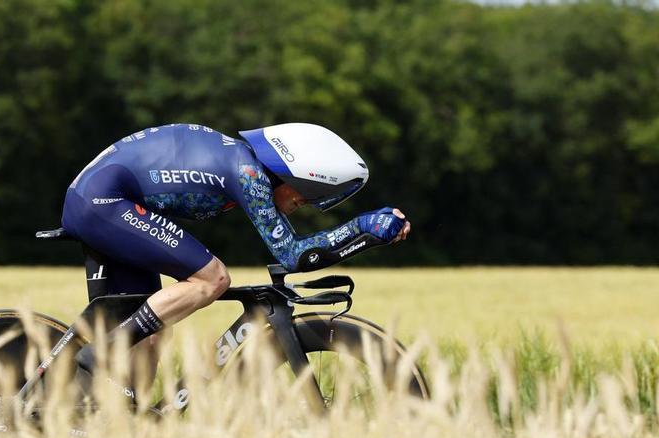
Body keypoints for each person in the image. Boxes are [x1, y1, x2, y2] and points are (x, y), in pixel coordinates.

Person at [62, 123, 411, 383]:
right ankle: (102, 351)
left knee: (152, 335)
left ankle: (110, 419)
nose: (296, 207)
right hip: (102, 202)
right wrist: (363, 229)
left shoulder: (243, 162)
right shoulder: (248, 174)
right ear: (293, 177)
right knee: (212, 278)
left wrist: (367, 235)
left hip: (103, 198)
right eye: (302, 197)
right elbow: (292, 255)